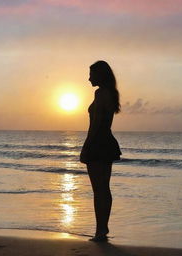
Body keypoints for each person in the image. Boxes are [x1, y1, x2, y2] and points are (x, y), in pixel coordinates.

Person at [80, 60, 121, 242]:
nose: (89, 78)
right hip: (107, 142)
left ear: (99, 75)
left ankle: (100, 230)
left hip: (98, 143)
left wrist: (86, 145)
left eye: (91, 74)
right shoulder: (110, 93)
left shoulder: (100, 94)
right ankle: (102, 229)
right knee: (104, 188)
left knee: (99, 190)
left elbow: (96, 124)